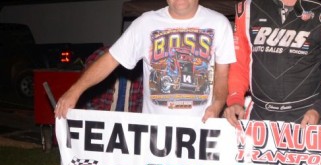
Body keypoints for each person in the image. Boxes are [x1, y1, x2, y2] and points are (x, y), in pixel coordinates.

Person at [54, 0, 236, 123]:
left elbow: (222, 73)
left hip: (201, 126)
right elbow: (110, 59)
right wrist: (74, 91)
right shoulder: (146, 23)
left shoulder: (219, 23)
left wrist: (218, 105)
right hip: (152, 128)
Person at [223, 0, 321, 126]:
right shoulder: (249, 8)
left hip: (306, 115)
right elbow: (240, 62)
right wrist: (235, 99)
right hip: (259, 112)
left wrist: (319, 108)